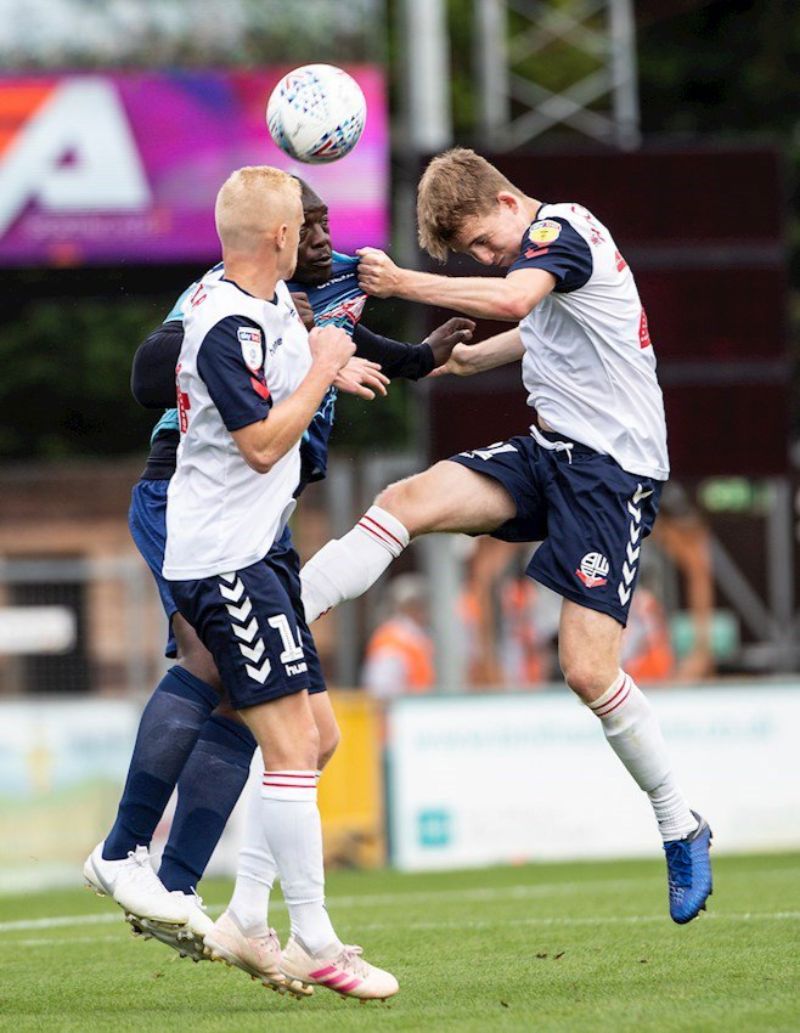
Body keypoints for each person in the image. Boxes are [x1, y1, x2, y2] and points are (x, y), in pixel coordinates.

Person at [300, 148, 713, 924]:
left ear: (504, 200)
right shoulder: (543, 253)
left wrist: (403, 283)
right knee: (407, 498)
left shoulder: (560, 230)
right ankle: (289, 609)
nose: (484, 261)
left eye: (482, 245)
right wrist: (467, 358)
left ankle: (680, 823)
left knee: (588, 672)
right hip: (549, 453)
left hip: (611, 476)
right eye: (472, 258)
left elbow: (521, 300)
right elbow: (542, 327)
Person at [85, 175, 468, 992]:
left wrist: (402, 358)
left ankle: (233, 909)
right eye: (311, 222)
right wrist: (318, 357)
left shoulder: (307, 299)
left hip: (262, 527)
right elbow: (166, 376)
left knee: (307, 733)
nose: (325, 236)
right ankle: (138, 859)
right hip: (197, 512)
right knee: (215, 672)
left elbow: (342, 361)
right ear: (280, 233)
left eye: (331, 220)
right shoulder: (223, 305)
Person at [362, 574, 435, 698]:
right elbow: (382, 687)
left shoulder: (414, 636)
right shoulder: (394, 638)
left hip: (415, 708)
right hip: (404, 710)